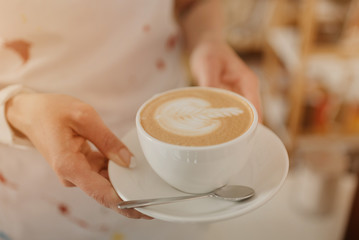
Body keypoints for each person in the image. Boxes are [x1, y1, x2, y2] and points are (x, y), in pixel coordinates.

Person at [0, 0, 261, 239]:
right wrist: (16, 109)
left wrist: (208, 40)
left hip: (177, 180)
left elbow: (190, 3)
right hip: (37, 195)